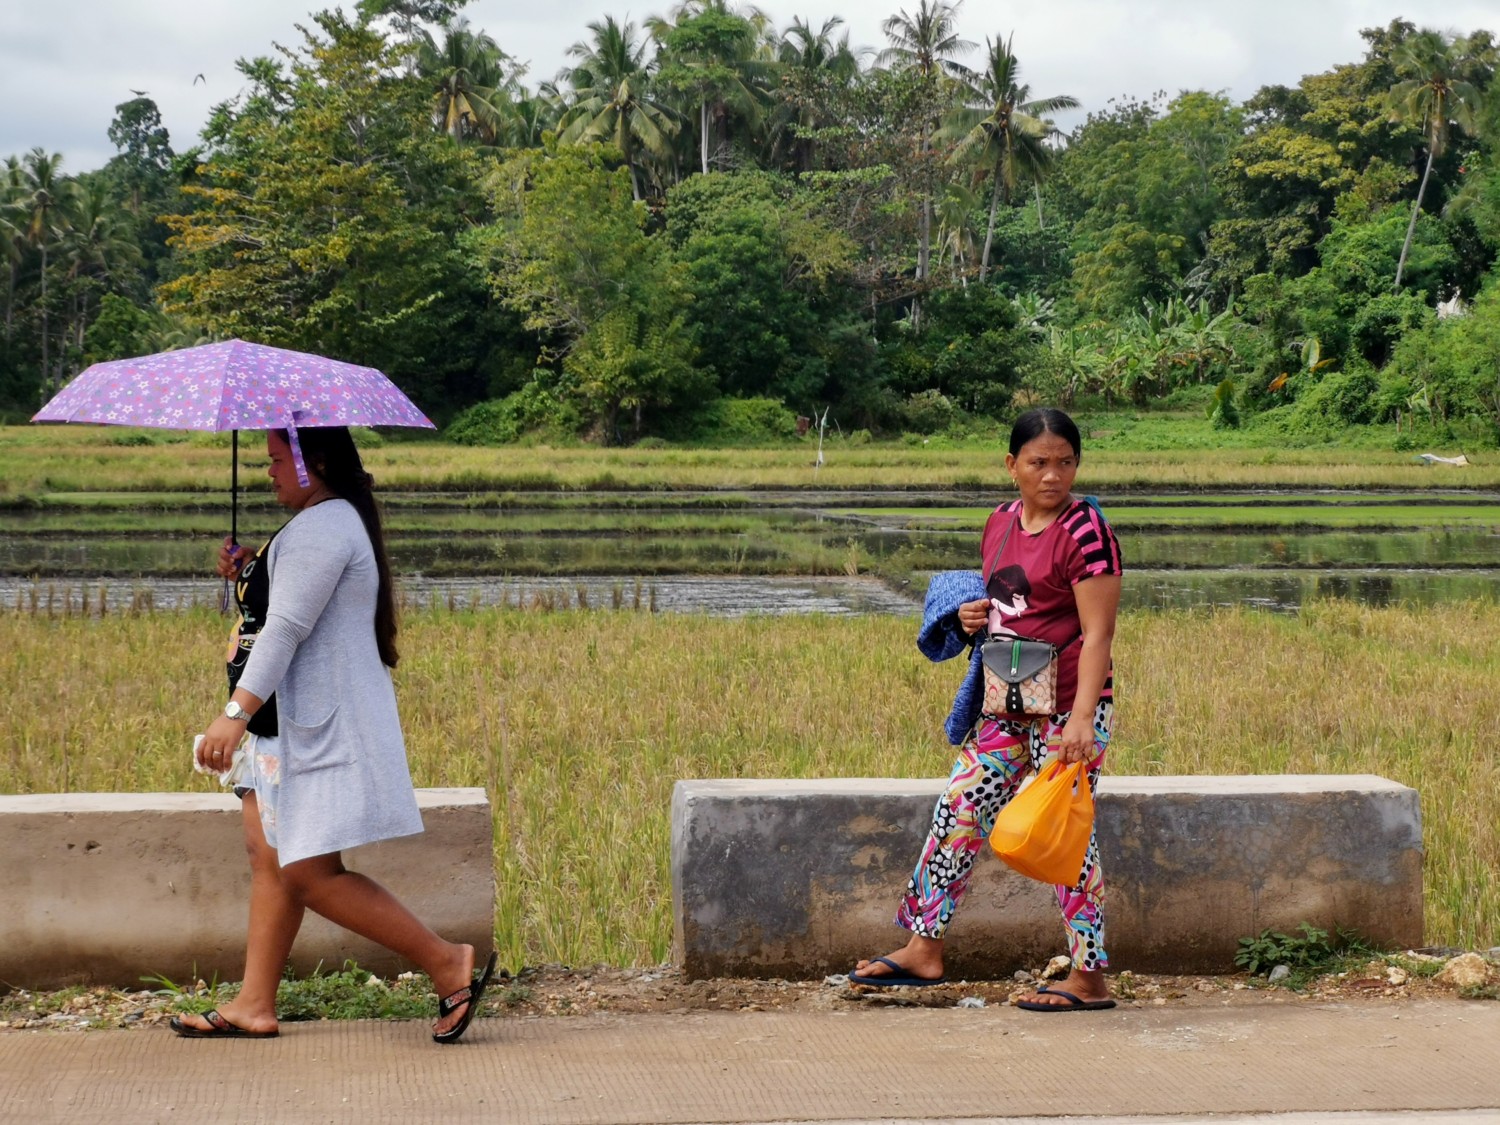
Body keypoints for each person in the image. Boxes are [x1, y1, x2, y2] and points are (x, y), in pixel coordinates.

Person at [171, 426, 496, 1043]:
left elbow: (286, 630)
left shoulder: (323, 528)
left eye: (275, 461)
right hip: (281, 725)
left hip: (305, 729)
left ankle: (445, 962)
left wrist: (232, 716)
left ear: (312, 461)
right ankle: (253, 1003)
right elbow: (275, 613)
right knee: (267, 858)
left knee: (307, 872)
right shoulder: (318, 525)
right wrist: (251, 571)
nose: (268, 472)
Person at [851, 408, 1123, 1011]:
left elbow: (1099, 634)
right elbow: (1005, 600)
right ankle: (924, 949)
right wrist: (973, 613)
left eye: (1065, 462)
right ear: (1011, 466)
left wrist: (1081, 722)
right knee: (958, 808)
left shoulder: (1086, 533)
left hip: (1069, 709)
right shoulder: (1000, 522)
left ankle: (1088, 977)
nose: (1053, 475)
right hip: (1008, 701)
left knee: (1065, 837)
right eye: (1038, 462)